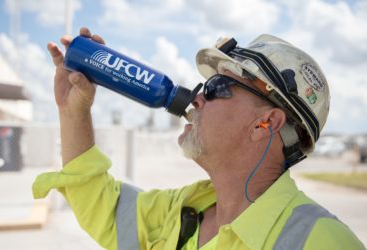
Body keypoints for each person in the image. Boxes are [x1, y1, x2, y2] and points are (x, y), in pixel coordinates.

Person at [33, 27, 365, 250]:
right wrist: (72, 111)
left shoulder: (326, 242)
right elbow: (101, 205)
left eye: (217, 87)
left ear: (264, 123)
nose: (198, 98)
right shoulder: (183, 209)